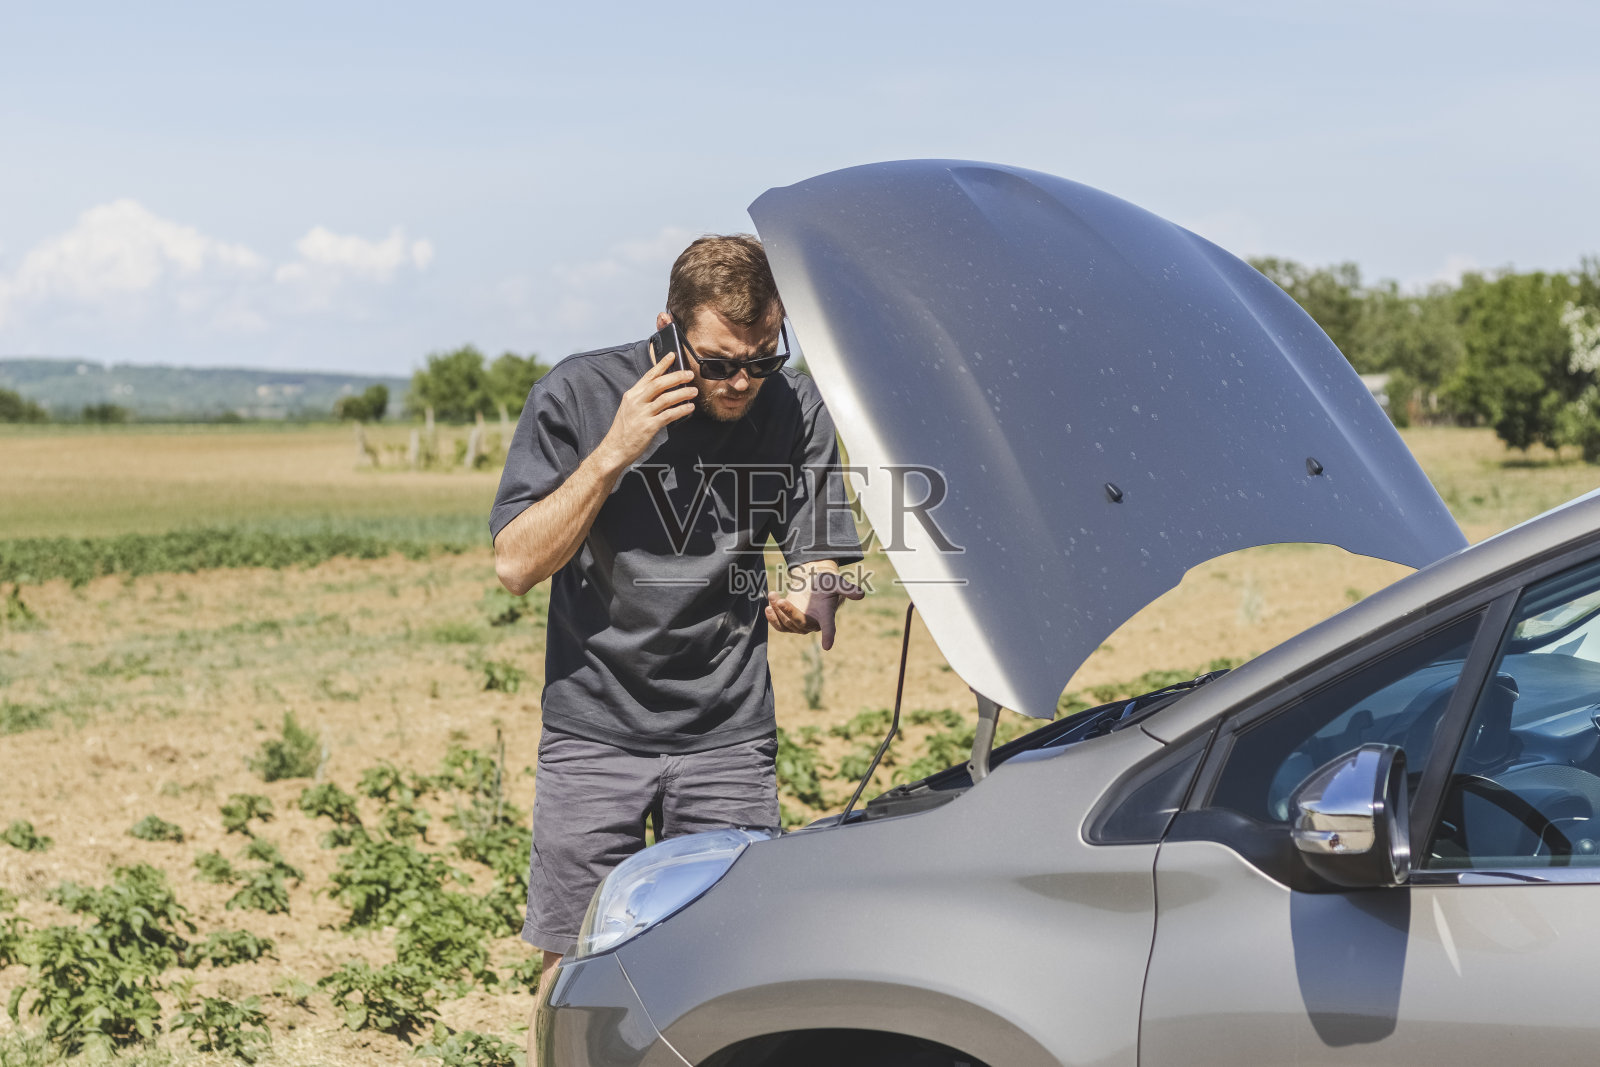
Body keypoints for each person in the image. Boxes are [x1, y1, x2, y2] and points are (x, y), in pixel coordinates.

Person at [489, 234, 864, 1028]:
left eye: (762, 358)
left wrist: (816, 595)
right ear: (668, 327)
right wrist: (611, 456)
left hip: (727, 735)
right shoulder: (581, 393)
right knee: (576, 969)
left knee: (737, 959)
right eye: (719, 360)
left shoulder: (795, 409)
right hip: (594, 730)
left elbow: (826, 556)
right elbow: (515, 564)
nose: (741, 381)